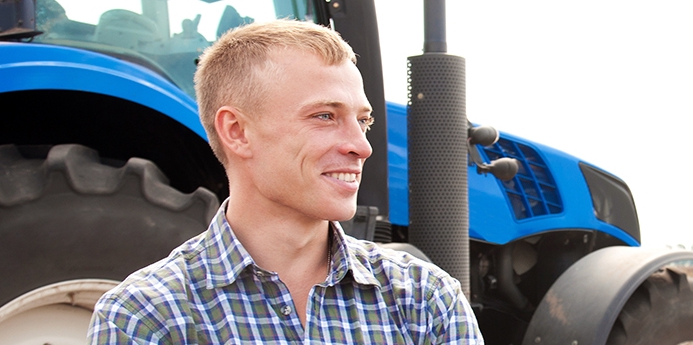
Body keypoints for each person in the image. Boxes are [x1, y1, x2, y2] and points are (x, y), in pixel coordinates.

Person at [88, 19, 482, 344]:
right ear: (237, 131)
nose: (362, 147)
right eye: (325, 116)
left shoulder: (426, 301)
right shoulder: (145, 319)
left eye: (363, 121)